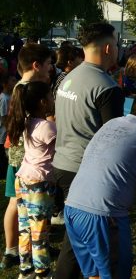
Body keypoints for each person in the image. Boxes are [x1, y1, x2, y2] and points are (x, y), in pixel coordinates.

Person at [64, 88, 136, 279]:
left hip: (73, 206)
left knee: (93, 274)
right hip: (104, 215)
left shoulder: (112, 123)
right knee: (115, 274)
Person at [52, 22, 125, 279]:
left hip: (61, 164)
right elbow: (113, 139)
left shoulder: (68, 77)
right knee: (83, 244)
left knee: (75, 241)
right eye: (116, 44)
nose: (117, 49)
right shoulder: (106, 87)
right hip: (84, 173)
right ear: (107, 48)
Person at [2, 44, 53, 271]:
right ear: (36, 65)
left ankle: (23, 261)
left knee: (23, 214)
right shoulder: (28, 90)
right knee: (20, 208)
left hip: (24, 163)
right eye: (49, 63)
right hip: (26, 162)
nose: (51, 68)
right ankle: (17, 253)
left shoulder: (22, 89)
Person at [7, 81, 56, 279]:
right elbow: (65, 144)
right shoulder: (47, 127)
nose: (54, 99)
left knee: (26, 228)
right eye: (52, 96)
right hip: (39, 186)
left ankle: (25, 269)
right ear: (44, 102)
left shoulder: (27, 121)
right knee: (39, 233)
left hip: (24, 180)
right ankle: (43, 273)